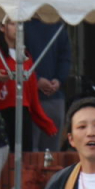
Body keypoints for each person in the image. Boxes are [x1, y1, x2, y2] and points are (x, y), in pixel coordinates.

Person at [0, 18, 58, 155]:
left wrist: (45, 122)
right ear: (2, 27)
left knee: (24, 158)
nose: (18, 28)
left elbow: (32, 97)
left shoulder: (26, 56)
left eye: (20, 24)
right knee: (1, 158)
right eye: (13, 24)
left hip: (23, 114)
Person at [22, 18, 72, 154]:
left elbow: (65, 57)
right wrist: (35, 80)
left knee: (52, 149)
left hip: (54, 97)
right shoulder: (22, 25)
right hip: (30, 97)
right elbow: (18, 58)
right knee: (31, 149)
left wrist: (58, 80)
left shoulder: (59, 26)